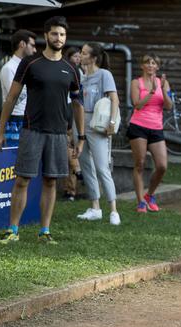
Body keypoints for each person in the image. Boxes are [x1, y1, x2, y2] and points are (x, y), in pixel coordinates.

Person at [0, 16, 84, 244]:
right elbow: (12, 97)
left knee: (51, 181)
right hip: (32, 130)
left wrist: (80, 136)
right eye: (54, 33)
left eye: (62, 34)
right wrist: (0, 130)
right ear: (46, 36)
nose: (58, 38)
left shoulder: (70, 68)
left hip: (58, 133)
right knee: (22, 180)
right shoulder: (30, 63)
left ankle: (45, 231)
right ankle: (12, 230)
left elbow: (77, 103)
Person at [75, 42, 121, 225]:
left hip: (97, 124)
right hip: (79, 123)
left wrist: (111, 122)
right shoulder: (80, 76)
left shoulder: (104, 74)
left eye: (84, 53)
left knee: (102, 167)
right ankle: (95, 208)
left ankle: (113, 210)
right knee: (86, 165)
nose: (80, 55)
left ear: (93, 58)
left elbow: (114, 99)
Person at [128, 54, 172, 213]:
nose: (150, 65)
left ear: (157, 67)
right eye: (147, 62)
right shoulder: (136, 82)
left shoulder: (163, 83)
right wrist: (152, 92)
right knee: (139, 164)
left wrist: (163, 90)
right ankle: (140, 202)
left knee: (162, 166)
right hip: (138, 126)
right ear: (142, 66)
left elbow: (169, 106)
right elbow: (137, 105)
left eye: (154, 63)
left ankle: (149, 195)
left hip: (156, 127)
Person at [0, 29, 37, 124]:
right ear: (22, 44)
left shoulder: (28, 66)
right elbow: (13, 98)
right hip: (16, 117)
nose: (35, 50)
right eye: (32, 45)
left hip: (29, 116)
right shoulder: (8, 67)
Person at [63, 47, 84, 201]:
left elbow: (77, 99)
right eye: (75, 56)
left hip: (70, 112)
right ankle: (77, 170)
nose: (78, 59)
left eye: (79, 56)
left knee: (68, 145)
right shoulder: (65, 69)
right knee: (67, 147)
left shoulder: (78, 72)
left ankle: (71, 190)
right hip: (63, 112)